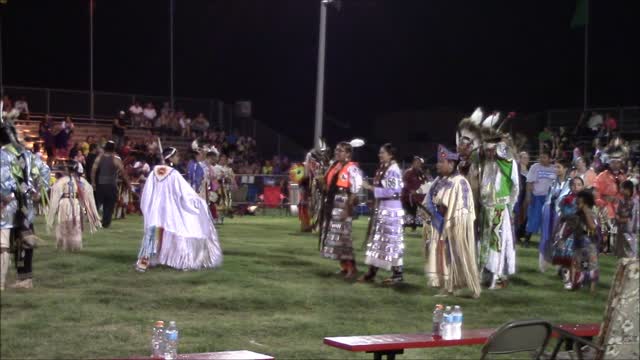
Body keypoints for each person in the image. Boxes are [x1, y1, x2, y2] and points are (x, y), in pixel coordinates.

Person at [135, 147, 223, 272]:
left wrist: (148, 206)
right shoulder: (173, 173)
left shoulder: (154, 171)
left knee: (152, 232)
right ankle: (176, 259)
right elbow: (184, 193)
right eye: (176, 156)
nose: (178, 158)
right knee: (175, 232)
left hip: (155, 208)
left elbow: (147, 192)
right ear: (170, 158)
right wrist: (198, 201)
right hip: (169, 210)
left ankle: (145, 261)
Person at [422, 145, 481, 298]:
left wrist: (451, 222)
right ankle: (448, 287)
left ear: (451, 163)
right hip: (440, 225)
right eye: (438, 162)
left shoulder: (460, 181)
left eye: (441, 162)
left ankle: (474, 287)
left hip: (455, 225)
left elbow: (463, 207)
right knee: (444, 257)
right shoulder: (439, 180)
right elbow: (429, 199)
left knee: (461, 255)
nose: (438, 165)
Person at [0, 118, 50, 290]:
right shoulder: (26, 154)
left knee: (5, 243)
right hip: (25, 204)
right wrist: (39, 191)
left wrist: (6, 196)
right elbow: (45, 170)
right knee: (24, 238)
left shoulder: (3, 154)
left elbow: (4, 180)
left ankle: (4, 281)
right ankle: (24, 278)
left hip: (7, 204)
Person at [359, 143, 405, 284]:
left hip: (391, 210)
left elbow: (392, 192)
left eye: (382, 153)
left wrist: (371, 188)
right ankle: (372, 272)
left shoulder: (393, 170)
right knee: (379, 242)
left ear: (390, 155)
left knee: (391, 242)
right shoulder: (384, 169)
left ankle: (397, 275)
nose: (379, 155)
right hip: (384, 208)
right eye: (379, 152)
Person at [477, 137, 519, 290]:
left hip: (500, 208)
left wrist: (509, 205)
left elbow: (515, 187)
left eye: (491, 150)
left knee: (499, 243)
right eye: (486, 150)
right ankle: (487, 275)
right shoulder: (486, 165)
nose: (489, 153)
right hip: (486, 209)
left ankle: (499, 277)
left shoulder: (508, 163)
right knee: (484, 243)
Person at [319, 141, 363, 278]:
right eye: (337, 150)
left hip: (344, 202)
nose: (337, 153)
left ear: (348, 154)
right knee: (336, 237)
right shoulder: (335, 166)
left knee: (345, 238)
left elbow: (355, 190)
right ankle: (344, 266)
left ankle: (352, 268)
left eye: (341, 151)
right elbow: (327, 186)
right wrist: (320, 181)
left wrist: (348, 208)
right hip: (332, 203)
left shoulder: (351, 168)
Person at [47, 161, 101, 251]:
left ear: (67, 170)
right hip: (75, 203)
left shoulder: (62, 181)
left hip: (64, 203)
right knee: (75, 223)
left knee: (65, 222)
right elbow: (89, 194)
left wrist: (51, 215)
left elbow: (55, 197)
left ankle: (65, 244)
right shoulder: (80, 181)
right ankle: (75, 244)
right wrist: (93, 213)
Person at [551, 177, 585, 289]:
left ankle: (577, 278)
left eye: (579, 184)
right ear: (570, 187)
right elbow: (561, 216)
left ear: (583, 186)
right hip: (566, 230)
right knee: (566, 257)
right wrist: (556, 230)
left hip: (579, 230)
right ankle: (567, 280)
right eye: (574, 185)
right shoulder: (566, 200)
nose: (576, 187)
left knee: (577, 257)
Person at [539, 158, 572, 272]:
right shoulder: (553, 183)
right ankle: (544, 262)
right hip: (549, 211)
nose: (556, 169)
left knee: (560, 237)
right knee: (546, 237)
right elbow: (548, 197)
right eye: (555, 167)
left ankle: (560, 265)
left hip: (561, 213)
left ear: (565, 169)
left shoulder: (570, 184)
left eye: (559, 167)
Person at [91, 141, 132, 228]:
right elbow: (123, 172)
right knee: (109, 205)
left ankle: (93, 220)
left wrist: (93, 182)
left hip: (101, 185)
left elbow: (93, 171)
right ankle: (105, 223)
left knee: (97, 203)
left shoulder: (99, 158)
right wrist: (128, 184)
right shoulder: (116, 159)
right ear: (114, 149)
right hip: (111, 185)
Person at [593, 147, 627, 253]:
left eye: (618, 162)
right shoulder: (602, 176)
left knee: (615, 229)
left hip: (618, 207)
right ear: (609, 163)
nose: (616, 164)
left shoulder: (623, 177)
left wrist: (620, 200)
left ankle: (612, 247)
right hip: (605, 207)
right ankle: (604, 247)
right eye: (613, 162)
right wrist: (602, 201)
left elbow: (627, 193)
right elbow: (596, 192)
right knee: (606, 229)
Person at [523, 151, 556, 247]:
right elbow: (529, 182)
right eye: (540, 157)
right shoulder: (535, 167)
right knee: (534, 218)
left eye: (544, 157)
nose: (542, 159)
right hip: (537, 196)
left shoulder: (554, 168)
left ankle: (545, 241)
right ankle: (527, 239)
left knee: (547, 219)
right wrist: (528, 196)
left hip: (549, 198)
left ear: (550, 158)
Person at [570, 190, 600, 292]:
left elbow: (593, 227)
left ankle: (592, 288)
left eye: (579, 203)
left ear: (586, 203)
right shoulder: (577, 213)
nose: (577, 204)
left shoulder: (591, 213)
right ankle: (576, 283)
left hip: (589, 242)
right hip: (579, 242)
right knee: (580, 264)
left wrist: (587, 212)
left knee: (591, 265)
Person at [615, 180, 639, 258]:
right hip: (621, 232)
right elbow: (617, 213)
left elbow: (632, 219)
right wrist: (618, 218)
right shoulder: (621, 201)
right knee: (621, 256)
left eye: (622, 188)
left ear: (628, 189)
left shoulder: (634, 203)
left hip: (630, 233)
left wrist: (620, 219)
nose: (620, 190)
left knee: (630, 256)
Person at [401, 156, 426, 231]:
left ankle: (412, 227)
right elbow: (404, 183)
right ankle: (404, 226)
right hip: (407, 197)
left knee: (414, 213)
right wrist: (410, 190)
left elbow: (424, 183)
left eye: (419, 163)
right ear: (413, 163)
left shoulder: (421, 173)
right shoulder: (408, 172)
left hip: (417, 198)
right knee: (410, 212)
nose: (418, 164)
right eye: (417, 162)